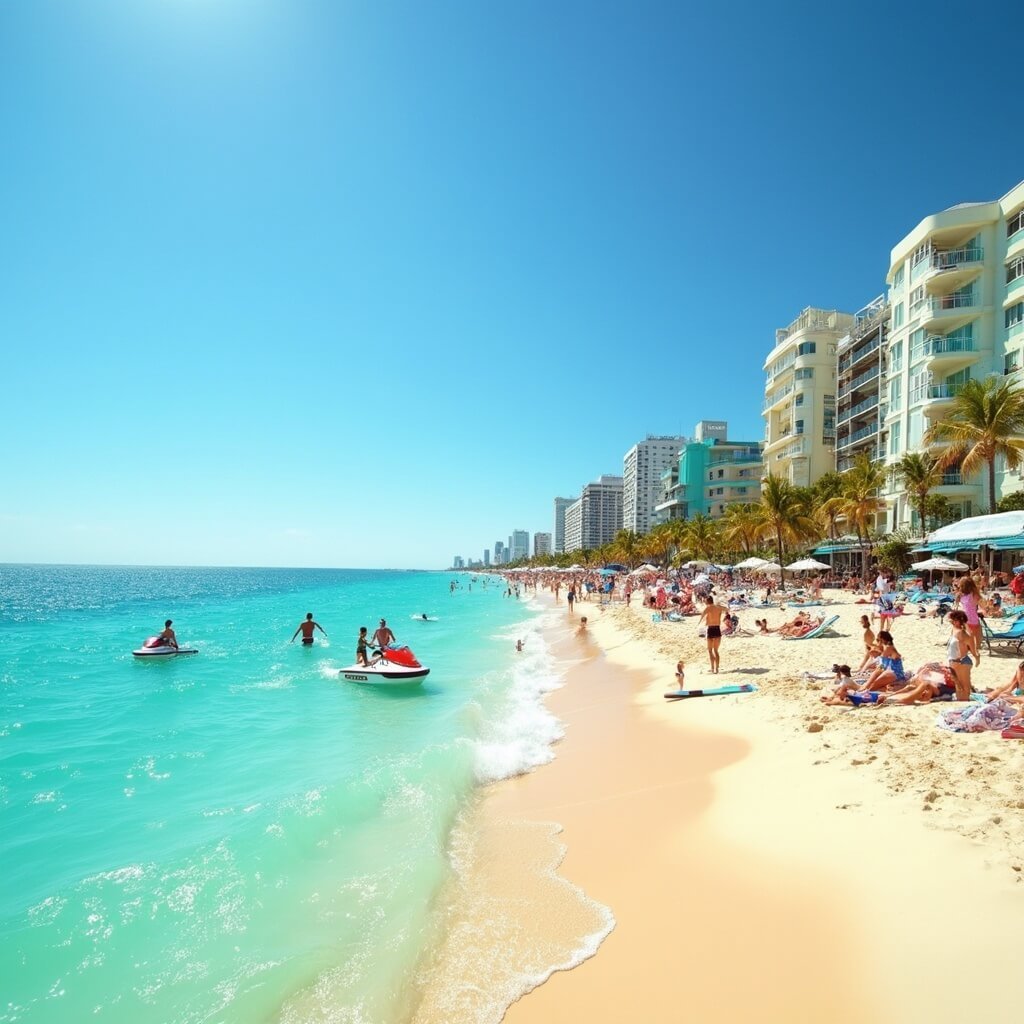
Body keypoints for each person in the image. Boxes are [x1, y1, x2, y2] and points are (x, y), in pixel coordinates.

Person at [945, 608, 977, 701]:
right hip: (955, 662)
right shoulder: (955, 630)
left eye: (954, 620)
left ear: (957, 621)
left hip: (961, 661)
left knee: (965, 687)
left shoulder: (962, 633)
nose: (952, 622)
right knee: (959, 688)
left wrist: (964, 623)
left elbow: (971, 640)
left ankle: (966, 701)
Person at [698, 595, 726, 674]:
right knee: (716, 651)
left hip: (710, 629)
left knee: (710, 650)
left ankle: (712, 668)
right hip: (717, 629)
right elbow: (727, 609)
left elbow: (702, 617)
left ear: (707, 601)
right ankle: (717, 669)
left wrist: (698, 624)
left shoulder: (708, 608)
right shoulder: (718, 608)